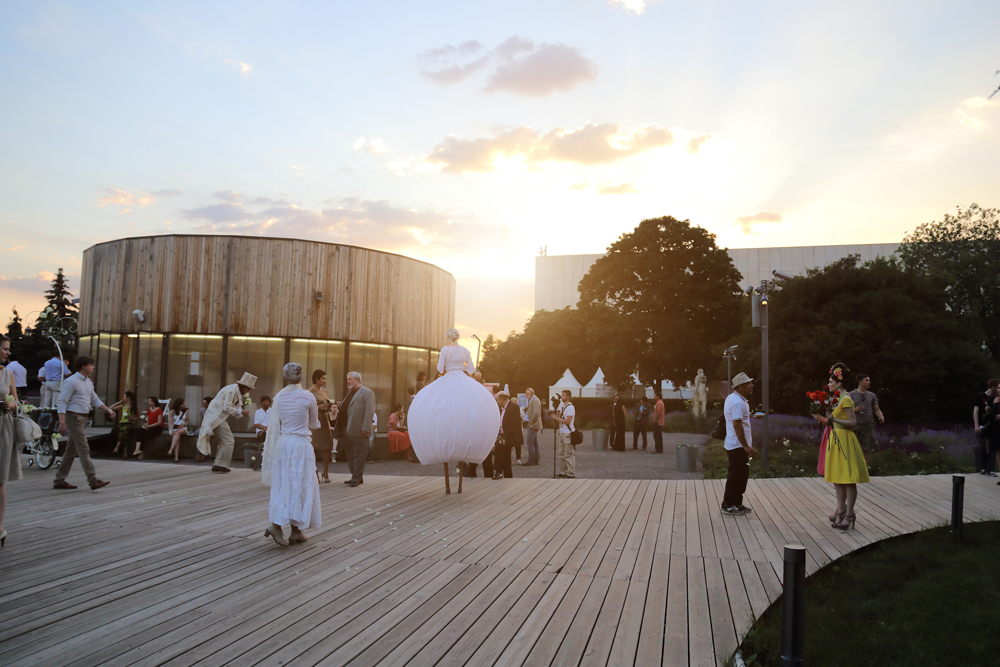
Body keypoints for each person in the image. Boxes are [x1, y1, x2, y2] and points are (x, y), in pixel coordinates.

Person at [407, 328, 501, 492]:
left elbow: (440, 367)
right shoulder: (465, 350)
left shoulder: (445, 350)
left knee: (440, 409)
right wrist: (462, 367)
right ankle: (463, 459)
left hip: (449, 378)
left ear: (448, 338)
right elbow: (471, 370)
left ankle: (444, 451)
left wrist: (448, 368)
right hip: (462, 379)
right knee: (468, 409)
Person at [261, 363, 322, 547]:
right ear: (301, 377)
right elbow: (313, 423)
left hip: (284, 443)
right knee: (301, 483)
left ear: (285, 377)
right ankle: (277, 526)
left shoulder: (279, 397)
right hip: (301, 445)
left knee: (285, 483)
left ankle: (295, 531)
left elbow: (278, 421)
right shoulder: (307, 396)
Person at [812, 363, 870, 530]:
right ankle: (841, 511)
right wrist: (824, 418)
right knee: (838, 478)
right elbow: (833, 419)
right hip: (835, 438)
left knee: (848, 479)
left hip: (845, 439)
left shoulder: (846, 399)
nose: (828, 384)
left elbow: (852, 422)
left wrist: (834, 419)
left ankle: (850, 513)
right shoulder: (836, 399)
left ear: (838, 383)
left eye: (830, 381)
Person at [53, 355, 116, 490]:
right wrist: (62, 422)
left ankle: (59, 480)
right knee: (83, 448)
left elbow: (94, 399)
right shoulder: (71, 381)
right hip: (74, 417)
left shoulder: (88, 382)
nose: (93, 367)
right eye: (90, 365)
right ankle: (93, 480)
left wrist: (107, 410)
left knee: (71, 450)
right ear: (83, 366)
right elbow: (62, 402)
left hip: (83, 418)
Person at [196, 374, 255, 473]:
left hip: (217, 417)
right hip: (216, 418)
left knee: (225, 439)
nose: (248, 391)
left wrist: (239, 410)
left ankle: (219, 463)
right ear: (244, 387)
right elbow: (227, 407)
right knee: (228, 440)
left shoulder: (234, 389)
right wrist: (241, 412)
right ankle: (220, 464)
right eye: (248, 389)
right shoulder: (232, 390)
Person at [722, 372, 757, 515]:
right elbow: (737, 425)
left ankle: (737, 503)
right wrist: (746, 446)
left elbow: (737, 419)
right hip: (738, 446)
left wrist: (749, 416)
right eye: (749, 383)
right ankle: (728, 505)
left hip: (734, 444)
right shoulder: (737, 402)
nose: (752, 386)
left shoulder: (733, 398)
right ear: (741, 386)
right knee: (736, 476)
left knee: (741, 476)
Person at [334, 371, 376, 487]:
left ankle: (356, 478)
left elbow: (369, 412)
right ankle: (356, 475)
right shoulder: (350, 393)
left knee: (358, 455)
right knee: (350, 454)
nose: (347, 381)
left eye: (350, 379)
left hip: (359, 430)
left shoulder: (367, 393)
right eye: (347, 379)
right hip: (346, 429)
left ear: (357, 380)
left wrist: (365, 428)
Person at [1, 334, 23, 547]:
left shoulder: (7, 374)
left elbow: (16, 402)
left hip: (2, 427)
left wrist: (11, 405)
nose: (8, 353)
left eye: (9, 349)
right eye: (5, 349)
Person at [849, 373, 884, 462]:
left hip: (868, 424)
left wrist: (881, 416)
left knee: (867, 448)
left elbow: (876, 409)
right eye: (867, 380)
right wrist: (855, 410)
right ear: (860, 382)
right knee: (853, 448)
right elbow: (845, 410)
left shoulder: (872, 395)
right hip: (855, 424)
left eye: (869, 380)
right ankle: (854, 469)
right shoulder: (851, 395)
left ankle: (865, 469)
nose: (869, 382)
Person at [308, 370, 335, 483]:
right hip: (314, 421)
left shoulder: (325, 391)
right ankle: (314, 472)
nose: (325, 381)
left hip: (324, 421)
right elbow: (307, 407)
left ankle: (325, 471)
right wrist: (318, 407)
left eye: (325, 378)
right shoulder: (309, 392)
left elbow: (326, 404)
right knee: (313, 447)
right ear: (317, 379)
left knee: (327, 446)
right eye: (323, 378)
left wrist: (329, 407)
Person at [494, 392, 522, 479]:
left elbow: (513, 424)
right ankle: (508, 476)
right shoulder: (500, 408)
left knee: (499, 446)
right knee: (506, 456)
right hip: (503, 434)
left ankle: (498, 471)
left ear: (501, 399)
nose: (497, 401)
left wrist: (504, 437)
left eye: (497, 399)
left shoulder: (514, 407)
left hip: (511, 436)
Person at [973, 379, 998, 475]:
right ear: (993, 387)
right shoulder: (980, 397)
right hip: (982, 425)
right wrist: (976, 425)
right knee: (982, 447)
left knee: (992, 448)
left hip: (993, 426)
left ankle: (991, 469)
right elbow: (975, 411)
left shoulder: (996, 398)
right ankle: (983, 467)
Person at [551, 390, 577, 478]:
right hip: (562, 432)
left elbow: (567, 421)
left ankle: (571, 472)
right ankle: (563, 471)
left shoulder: (570, 407)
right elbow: (561, 417)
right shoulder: (563, 407)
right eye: (561, 395)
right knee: (561, 454)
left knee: (568, 454)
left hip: (568, 433)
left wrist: (556, 418)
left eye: (563, 395)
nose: (562, 397)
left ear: (568, 397)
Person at [109, 391, 139, 458]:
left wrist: (132, 418)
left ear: (128, 398)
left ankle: (117, 447)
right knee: (124, 432)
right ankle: (125, 452)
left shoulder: (134, 407)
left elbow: (138, 417)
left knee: (123, 429)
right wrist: (118, 402)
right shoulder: (123, 406)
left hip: (131, 424)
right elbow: (110, 407)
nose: (123, 398)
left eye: (124, 397)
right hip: (123, 424)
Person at [522, 388, 542, 466]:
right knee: (534, 442)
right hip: (533, 424)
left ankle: (531, 461)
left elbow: (536, 413)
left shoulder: (535, 400)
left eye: (527, 394)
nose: (526, 396)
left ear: (531, 393)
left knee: (529, 442)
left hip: (533, 425)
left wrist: (530, 422)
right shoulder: (533, 400)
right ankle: (535, 460)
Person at [166, 398, 190, 462]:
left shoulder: (186, 411)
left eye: (184, 403)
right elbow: (170, 423)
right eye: (182, 404)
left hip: (182, 427)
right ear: (178, 405)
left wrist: (183, 425)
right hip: (174, 428)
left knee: (178, 433)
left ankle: (170, 450)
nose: (184, 405)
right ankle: (176, 457)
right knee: (177, 437)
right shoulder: (172, 412)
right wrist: (173, 430)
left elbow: (187, 420)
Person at [195, 396, 212, 461]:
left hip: (211, 427)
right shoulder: (202, 410)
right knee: (197, 433)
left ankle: (204, 453)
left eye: (205, 403)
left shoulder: (212, 410)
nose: (203, 404)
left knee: (206, 434)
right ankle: (198, 451)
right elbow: (202, 420)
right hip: (203, 426)